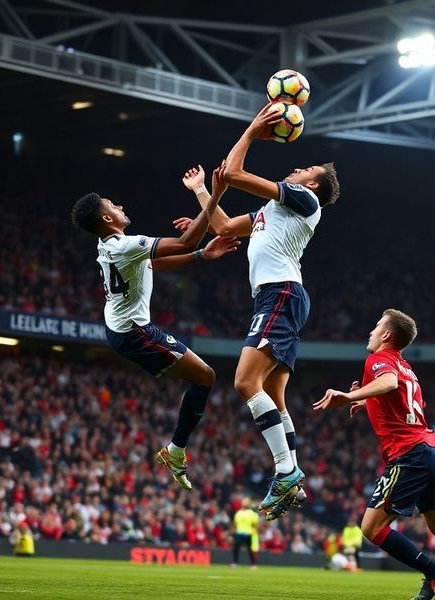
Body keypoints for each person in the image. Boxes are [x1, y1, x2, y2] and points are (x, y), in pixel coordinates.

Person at [179, 104, 340, 520]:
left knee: (244, 382)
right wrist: (202, 192)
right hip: (281, 297)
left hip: (280, 294)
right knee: (276, 396)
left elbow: (234, 174)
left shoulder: (304, 200)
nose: (298, 169)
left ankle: (286, 472)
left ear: (314, 186)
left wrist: (251, 130)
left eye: (307, 169)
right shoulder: (275, 210)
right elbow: (225, 228)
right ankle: (293, 479)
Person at [313, 309, 435, 600]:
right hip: (432, 450)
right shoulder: (407, 367)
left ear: (386, 335)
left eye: (376, 326)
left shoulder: (378, 359)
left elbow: (388, 384)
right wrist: (368, 400)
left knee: (370, 528)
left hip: (410, 453)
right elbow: (400, 403)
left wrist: (350, 396)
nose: (371, 332)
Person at [70, 165, 238, 491]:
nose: (119, 206)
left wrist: (203, 254)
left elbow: (155, 263)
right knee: (205, 377)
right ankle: (176, 451)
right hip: (135, 332)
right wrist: (214, 194)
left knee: (203, 377)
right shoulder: (123, 245)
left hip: (122, 328)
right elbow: (185, 241)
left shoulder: (113, 245)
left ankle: (176, 450)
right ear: (107, 219)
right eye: (113, 206)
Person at [231, 497, 259, 569]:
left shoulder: (252, 514)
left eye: (246, 502)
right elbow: (235, 524)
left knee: (251, 550)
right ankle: (235, 562)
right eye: (244, 502)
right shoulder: (239, 513)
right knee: (236, 548)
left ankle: (253, 564)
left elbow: (255, 525)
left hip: (249, 533)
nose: (245, 503)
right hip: (239, 533)